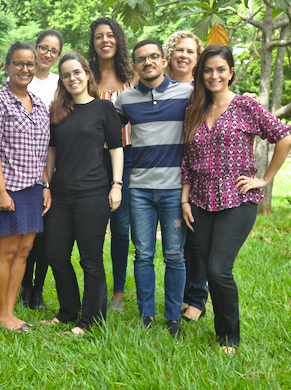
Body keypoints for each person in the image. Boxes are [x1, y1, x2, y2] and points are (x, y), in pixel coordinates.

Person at [181, 45, 291, 353]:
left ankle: (230, 338)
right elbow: (187, 159)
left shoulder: (245, 105)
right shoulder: (194, 110)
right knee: (209, 267)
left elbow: (285, 137)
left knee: (218, 269)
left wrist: (264, 180)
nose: (214, 75)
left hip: (238, 198)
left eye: (220, 69)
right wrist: (184, 199)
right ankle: (221, 330)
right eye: (208, 70)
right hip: (201, 201)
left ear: (231, 72)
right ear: (200, 74)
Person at [114, 40, 192, 340]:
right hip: (140, 191)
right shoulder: (125, 100)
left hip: (175, 190)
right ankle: (147, 314)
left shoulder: (187, 93)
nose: (147, 62)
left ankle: (173, 318)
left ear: (164, 60)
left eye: (153, 57)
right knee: (143, 254)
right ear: (134, 65)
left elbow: (218, 104)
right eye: (141, 59)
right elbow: (106, 131)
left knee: (174, 255)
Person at [42, 52, 123, 335]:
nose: (72, 78)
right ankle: (68, 312)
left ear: (87, 74)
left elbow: (116, 148)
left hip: (93, 193)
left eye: (76, 72)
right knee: (56, 254)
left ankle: (89, 320)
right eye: (66, 75)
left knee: (90, 259)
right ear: (62, 81)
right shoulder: (58, 110)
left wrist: (117, 185)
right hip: (61, 196)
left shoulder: (104, 108)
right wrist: (47, 185)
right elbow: (51, 151)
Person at [0, 41, 51, 332]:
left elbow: (46, 149)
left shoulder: (39, 103)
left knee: (24, 251)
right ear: (7, 66)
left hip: (34, 186)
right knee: (6, 252)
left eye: (30, 64)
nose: (25, 69)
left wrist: (46, 184)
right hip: (8, 187)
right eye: (19, 63)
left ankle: (11, 314)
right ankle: (1, 314)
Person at [88, 17, 137, 313]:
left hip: (128, 158)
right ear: (93, 43)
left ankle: (118, 293)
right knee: (92, 225)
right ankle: (95, 289)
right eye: (98, 36)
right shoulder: (87, 76)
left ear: (118, 40)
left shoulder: (133, 77)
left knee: (120, 227)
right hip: (93, 159)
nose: (105, 40)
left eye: (110, 35)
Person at [163, 30, 208, 322]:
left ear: (197, 58)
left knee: (194, 238)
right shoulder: (160, 86)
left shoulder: (203, 88)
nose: (184, 55)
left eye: (190, 51)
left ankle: (196, 297)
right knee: (174, 243)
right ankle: (178, 296)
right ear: (169, 54)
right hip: (167, 171)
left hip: (198, 170)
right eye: (179, 50)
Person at [19, 29, 64, 311]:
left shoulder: (62, 83)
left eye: (54, 50)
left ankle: (38, 289)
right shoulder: (22, 78)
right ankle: (23, 286)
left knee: (48, 234)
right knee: (28, 233)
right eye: (43, 48)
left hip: (56, 165)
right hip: (27, 168)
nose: (47, 54)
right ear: (35, 48)